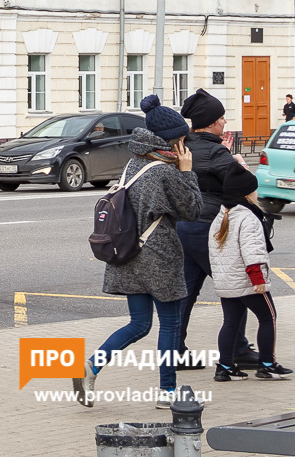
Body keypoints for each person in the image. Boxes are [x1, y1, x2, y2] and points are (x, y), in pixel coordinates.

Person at [73, 95, 202, 410]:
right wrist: (187, 171)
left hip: (129, 253)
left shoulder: (134, 162)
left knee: (139, 324)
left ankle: (91, 366)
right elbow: (193, 210)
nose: (184, 143)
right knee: (169, 324)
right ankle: (167, 392)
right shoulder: (166, 171)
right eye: (181, 138)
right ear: (171, 140)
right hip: (158, 257)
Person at [176, 88, 258, 374]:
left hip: (182, 227)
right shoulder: (214, 150)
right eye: (222, 118)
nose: (225, 123)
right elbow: (243, 184)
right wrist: (241, 165)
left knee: (185, 292)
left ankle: (175, 350)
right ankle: (238, 348)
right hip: (208, 227)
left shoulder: (182, 146)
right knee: (235, 286)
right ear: (211, 123)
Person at [209, 163, 293, 381]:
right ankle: (267, 365)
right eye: (253, 189)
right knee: (268, 317)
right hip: (248, 281)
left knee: (230, 323)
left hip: (228, 281)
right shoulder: (248, 218)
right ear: (247, 194)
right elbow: (253, 252)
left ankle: (225, 367)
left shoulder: (221, 215)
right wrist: (259, 280)